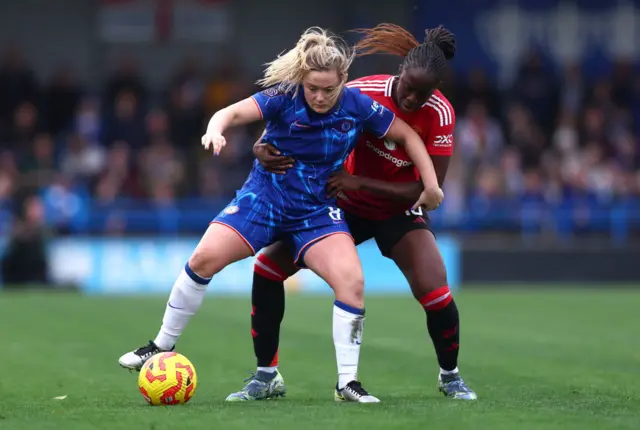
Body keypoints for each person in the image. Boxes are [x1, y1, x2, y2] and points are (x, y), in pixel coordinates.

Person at [118, 27, 444, 403]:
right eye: (313, 88)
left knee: (352, 281)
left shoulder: (357, 105)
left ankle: (347, 383)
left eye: (328, 89)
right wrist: (215, 130)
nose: (320, 97)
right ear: (301, 81)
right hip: (264, 199)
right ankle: (159, 346)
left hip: (316, 212)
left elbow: (409, 137)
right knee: (203, 259)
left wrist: (431, 186)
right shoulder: (283, 97)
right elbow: (231, 112)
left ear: (343, 82)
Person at [226, 24, 477, 402]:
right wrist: (262, 144)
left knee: (435, 287)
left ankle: (451, 375)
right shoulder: (362, 92)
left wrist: (360, 183)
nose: (411, 98)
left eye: (422, 93)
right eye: (407, 86)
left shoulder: (441, 114)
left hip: (398, 210)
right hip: (341, 205)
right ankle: (266, 375)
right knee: (267, 268)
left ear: (438, 88)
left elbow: (424, 191)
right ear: (399, 72)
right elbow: (298, 121)